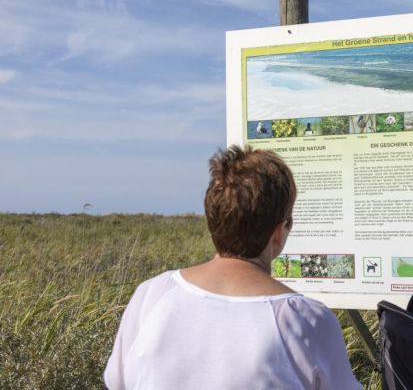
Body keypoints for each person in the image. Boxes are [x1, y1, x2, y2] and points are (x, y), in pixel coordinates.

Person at [104, 146, 361, 390]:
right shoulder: (305, 320)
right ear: (278, 232)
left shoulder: (153, 294)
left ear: (212, 219)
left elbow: (118, 382)